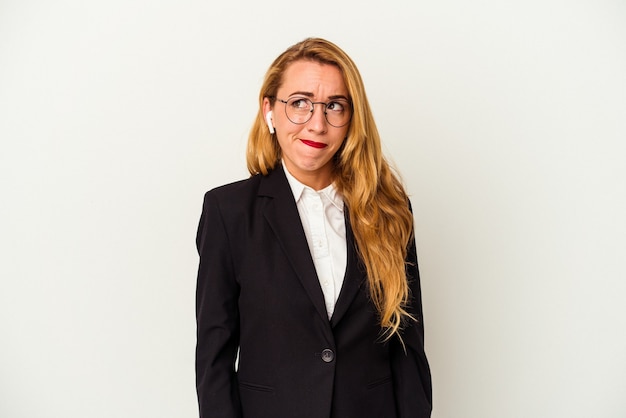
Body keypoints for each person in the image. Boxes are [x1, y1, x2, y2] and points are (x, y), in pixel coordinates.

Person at [195, 37, 432, 418]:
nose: (317, 124)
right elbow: (214, 357)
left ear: (352, 118)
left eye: (334, 106)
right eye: (300, 103)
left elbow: (408, 351)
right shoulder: (229, 212)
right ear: (269, 109)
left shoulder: (388, 210)